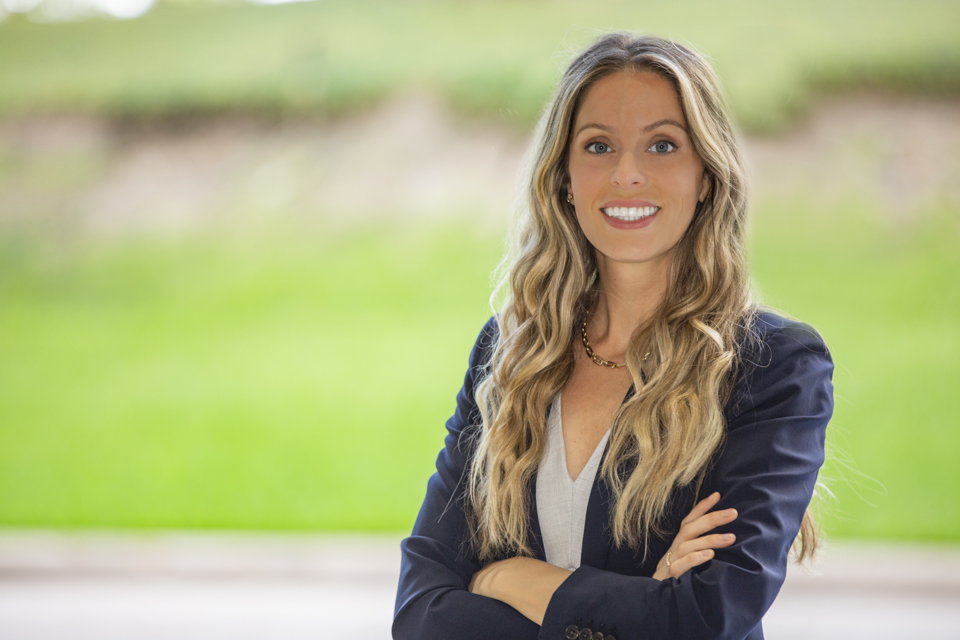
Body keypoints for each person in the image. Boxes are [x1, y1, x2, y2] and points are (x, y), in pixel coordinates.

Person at [393, 32, 833, 640]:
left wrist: (508, 578)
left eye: (662, 145)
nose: (628, 174)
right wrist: (641, 604)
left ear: (706, 174)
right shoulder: (510, 353)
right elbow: (419, 614)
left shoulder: (773, 367)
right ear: (565, 177)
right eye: (599, 145)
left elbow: (709, 614)